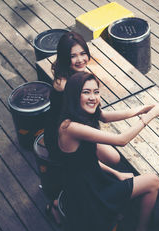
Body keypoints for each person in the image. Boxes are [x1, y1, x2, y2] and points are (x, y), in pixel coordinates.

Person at [49, 71, 159, 231]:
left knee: (125, 174)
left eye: (96, 92)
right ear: (75, 95)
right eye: (86, 92)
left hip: (90, 180)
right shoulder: (70, 127)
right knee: (152, 181)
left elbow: (106, 117)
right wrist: (150, 116)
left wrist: (143, 109)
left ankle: (115, 208)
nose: (93, 97)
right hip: (88, 196)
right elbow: (121, 140)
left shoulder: (81, 114)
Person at [45, 31, 120, 167]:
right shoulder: (64, 85)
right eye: (73, 56)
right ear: (64, 58)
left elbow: (99, 114)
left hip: (77, 126)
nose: (80, 60)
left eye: (82, 53)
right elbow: (102, 117)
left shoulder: (75, 74)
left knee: (113, 157)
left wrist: (139, 111)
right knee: (113, 158)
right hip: (61, 137)